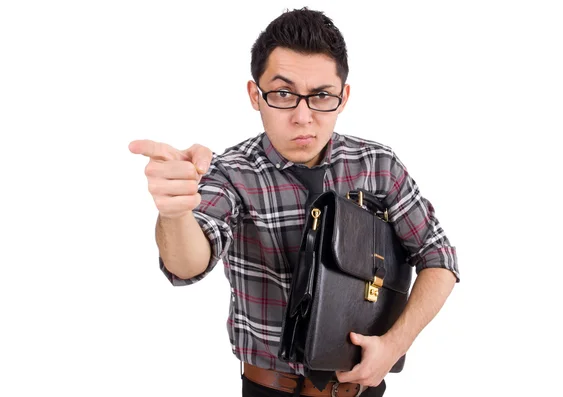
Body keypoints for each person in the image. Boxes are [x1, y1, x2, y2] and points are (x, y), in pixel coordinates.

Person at [129, 7, 459, 397]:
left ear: (343, 97)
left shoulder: (379, 165)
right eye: (283, 93)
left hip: (362, 388)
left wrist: (394, 345)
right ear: (256, 95)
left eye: (321, 96)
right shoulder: (231, 172)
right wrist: (176, 212)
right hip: (269, 388)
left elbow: (438, 257)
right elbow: (187, 264)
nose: (303, 117)